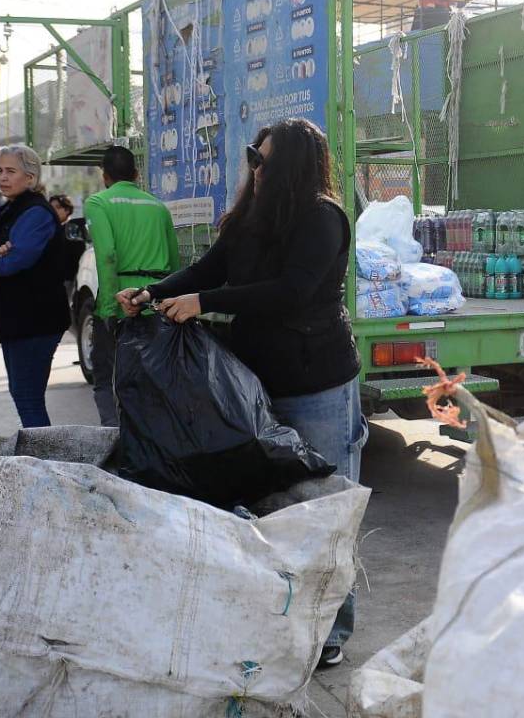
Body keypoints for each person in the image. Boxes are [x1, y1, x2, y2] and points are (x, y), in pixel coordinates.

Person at [117, 118, 367, 668]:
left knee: (326, 508)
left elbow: (292, 291)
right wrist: (153, 291)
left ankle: (330, 630)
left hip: (317, 381)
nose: (254, 168)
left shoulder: (323, 219)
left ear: (293, 167)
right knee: (263, 504)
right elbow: (209, 267)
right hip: (253, 383)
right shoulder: (249, 218)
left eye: (264, 160)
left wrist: (206, 302)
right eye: (253, 156)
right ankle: (272, 614)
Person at [0, 144, 70, 428]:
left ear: (30, 177)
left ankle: (44, 465)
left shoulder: (35, 213)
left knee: (28, 397)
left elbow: (12, 263)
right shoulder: (8, 211)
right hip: (17, 318)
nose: (3, 178)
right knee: (23, 394)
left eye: (11, 171)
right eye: (0, 171)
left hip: (36, 319)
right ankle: (42, 461)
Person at [83, 146, 179, 427]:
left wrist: (109, 310)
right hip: (155, 304)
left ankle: (117, 446)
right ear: (136, 174)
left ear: (104, 175)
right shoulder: (157, 207)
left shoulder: (98, 203)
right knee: (151, 385)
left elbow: (108, 256)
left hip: (122, 304)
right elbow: (175, 263)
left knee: (108, 382)